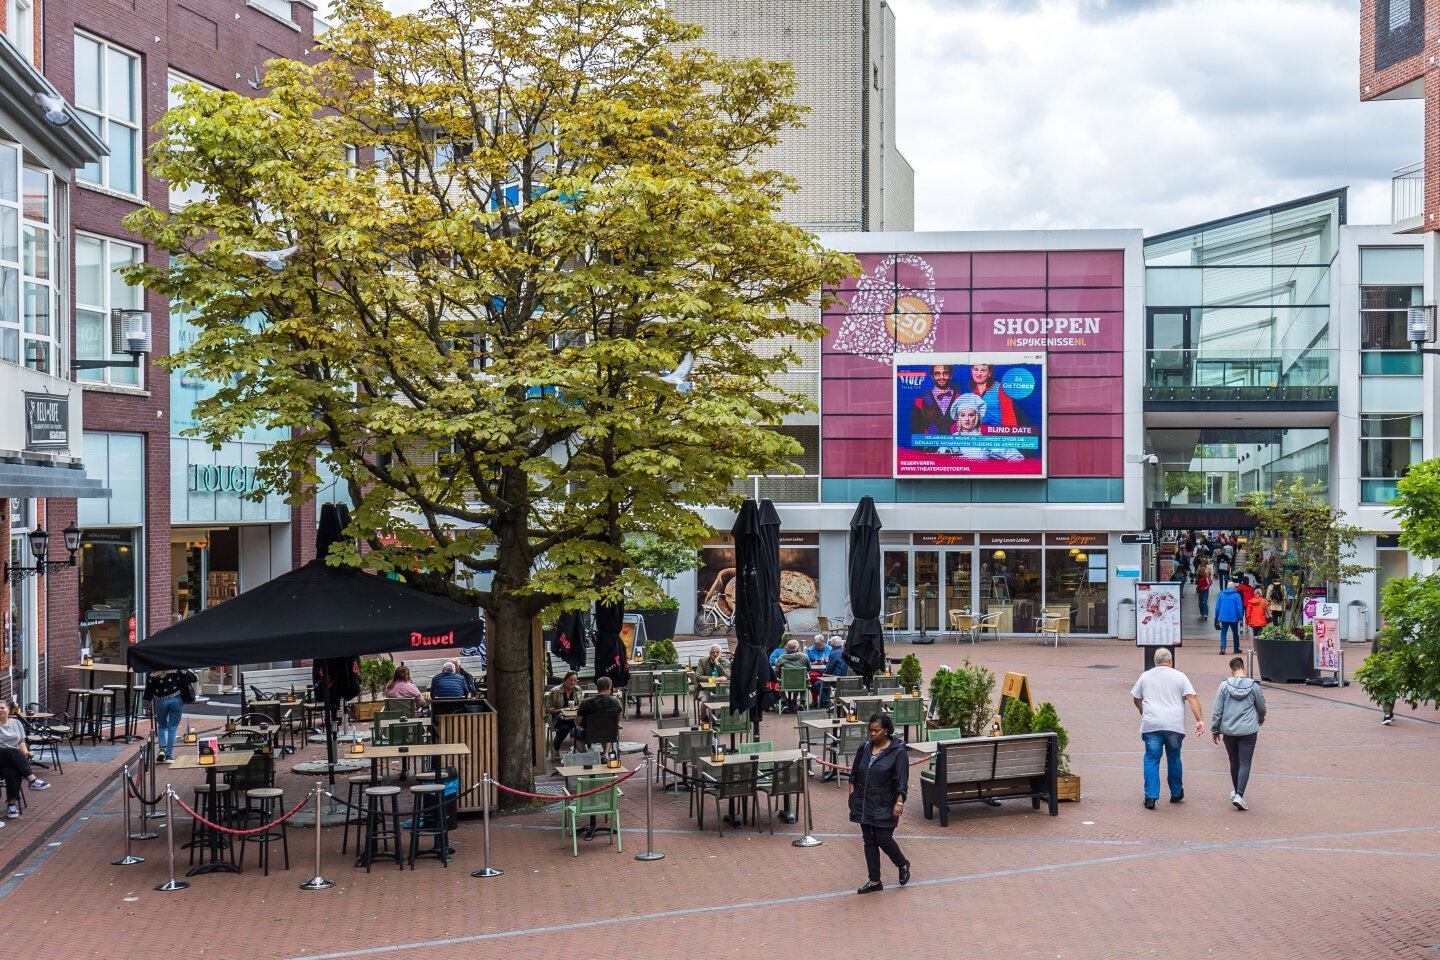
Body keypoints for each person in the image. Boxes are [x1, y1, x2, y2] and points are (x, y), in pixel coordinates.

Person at [1130, 648, 1204, 809]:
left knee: (1151, 758)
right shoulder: (1180, 676)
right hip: (1174, 724)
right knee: (1174, 757)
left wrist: (1143, 710)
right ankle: (1176, 793)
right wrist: (1199, 720)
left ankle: (1151, 796)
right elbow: (1192, 697)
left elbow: (1136, 698)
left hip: (1151, 724)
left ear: (1155, 661)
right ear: (1170, 661)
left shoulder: (1145, 676)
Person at [849, 713, 910, 894]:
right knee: (869, 841)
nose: (873, 734)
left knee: (883, 838)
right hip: (864, 802)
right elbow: (854, 774)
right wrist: (852, 794)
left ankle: (902, 863)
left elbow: (902, 781)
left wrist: (899, 801)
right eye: (870, 731)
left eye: (877, 731)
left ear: (886, 730)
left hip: (885, 803)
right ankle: (874, 880)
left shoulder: (898, 752)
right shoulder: (865, 748)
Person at [1210, 657, 1266, 810]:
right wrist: (1260, 719)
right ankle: (1239, 794)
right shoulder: (1254, 686)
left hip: (1229, 730)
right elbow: (1261, 707)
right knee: (1245, 762)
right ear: (1243, 668)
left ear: (1232, 670)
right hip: (1248, 730)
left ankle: (1237, 793)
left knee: (1234, 761)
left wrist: (1215, 729)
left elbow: (1217, 710)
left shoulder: (1224, 686)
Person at [0, 702, 49, 819]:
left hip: (10, 762)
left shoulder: (17, 723)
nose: (0, 710)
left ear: (8, 710)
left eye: (2, 708)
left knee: (12, 771)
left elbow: (21, 742)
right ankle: (32, 780)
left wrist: (26, 753)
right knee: (12, 751)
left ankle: (11, 805)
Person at [143, 667, 195, 763]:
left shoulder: (152, 670)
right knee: (172, 727)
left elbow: (149, 687)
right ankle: (169, 755)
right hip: (176, 698)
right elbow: (194, 678)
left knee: (162, 726)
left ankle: (162, 749)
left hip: (160, 700)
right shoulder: (177, 666)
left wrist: (146, 703)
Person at [571, 676, 623, 750]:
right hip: (609, 734)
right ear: (610, 687)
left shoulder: (586, 702)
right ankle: (606, 754)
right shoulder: (616, 702)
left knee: (573, 732)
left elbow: (578, 721)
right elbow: (618, 719)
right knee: (607, 728)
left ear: (597, 687)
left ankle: (584, 754)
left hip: (589, 734)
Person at [909, 364, 958, 435]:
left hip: (953, 445)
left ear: (951, 376)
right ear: (932, 376)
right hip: (930, 445)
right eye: (937, 373)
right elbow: (916, 431)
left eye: (945, 373)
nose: (942, 377)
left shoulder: (960, 399)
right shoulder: (920, 401)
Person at [545, 671, 582, 760]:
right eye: (570, 680)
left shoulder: (577, 690)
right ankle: (556, 748)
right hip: (559, 718)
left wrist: (577, 708)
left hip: (574, 718)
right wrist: (560, 710)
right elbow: (548, 709)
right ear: (565, 680)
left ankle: (581, 751)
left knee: (582, 727)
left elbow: (581, 705)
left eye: (575, 681)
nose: (572, 683)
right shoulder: (555, 691)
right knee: (564, 729)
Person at [775, 639, 812, 713]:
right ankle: (802, 702)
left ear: (787, 648)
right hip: (800, 684)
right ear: (797, 648)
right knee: (805, 681)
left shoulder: (781, 658)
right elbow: (809, 668)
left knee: (776, 683)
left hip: (786, 683)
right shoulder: (804, 656)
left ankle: (784, 702)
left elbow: (777, 671)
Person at [1213, 581, 1244, 655]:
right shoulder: (1236, 596)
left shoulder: (1221, 595)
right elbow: (1239, 608)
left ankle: (1223, 648)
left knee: (1223, 633)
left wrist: (1217, 616)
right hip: (1234, 617)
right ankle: (1236, 648)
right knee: (1235, 633)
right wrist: (1240, 617)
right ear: (1234, 587)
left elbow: (1217, 607)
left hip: (1223, 617)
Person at [806, 634, 830, 704]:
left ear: (823, 642)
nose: (818, 647)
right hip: (815, 670)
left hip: (826, 670)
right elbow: (807, 663)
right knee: (813, 678)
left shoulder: (829, 648)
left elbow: (832, 660)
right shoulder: (810, 650)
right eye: (816, 645)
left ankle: (824, 699)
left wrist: (826, 660)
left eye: (820, 645)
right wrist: (814, 663)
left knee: (827, 678)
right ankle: (815, 699)